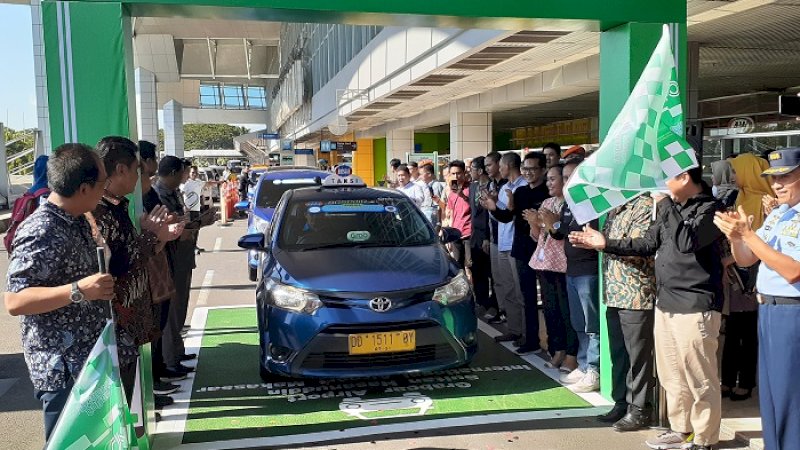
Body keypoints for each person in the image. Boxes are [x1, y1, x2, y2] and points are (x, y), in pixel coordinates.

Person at [571, 166, 724, 450]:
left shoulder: (710, 208)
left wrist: (664, 203)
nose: (659, 184)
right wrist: (606, 244)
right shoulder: (673, 208)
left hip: (695, 302)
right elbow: (647, 243)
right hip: (666, 302)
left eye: (665, 177)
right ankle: (681, 429)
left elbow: (685, 242)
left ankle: (704, 438)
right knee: (672, 374)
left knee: (699, 376)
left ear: (684, 178)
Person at [4, 143, 115, 439]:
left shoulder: (77, 220)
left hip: (88, 359)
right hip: (62, 368)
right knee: (68, 443)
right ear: (83, 188)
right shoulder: (41, 229)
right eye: (103, 183)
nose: (105, 190)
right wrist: (78, 290)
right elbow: (15, 301)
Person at [713, 147, 800, 450]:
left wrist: (747, 236)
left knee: (791, 396)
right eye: (773, 178)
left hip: (792, 312)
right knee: (772, 395)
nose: (777, 184)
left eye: (786, 176)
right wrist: (736, 238)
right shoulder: (778, 214)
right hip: (769, 309)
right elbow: (748, 259)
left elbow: (793, 271)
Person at [92, 136, 182, 401]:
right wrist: (153, 236)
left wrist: (159, 237)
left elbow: (132, 254)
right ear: (121, 170)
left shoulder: (116, 205)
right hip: (118, 323)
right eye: (136, 171)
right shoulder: (100, 211)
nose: (139, 179)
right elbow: (118, 264)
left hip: (130, 323)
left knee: (131, 396)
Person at [590, 195, 657, 430]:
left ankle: (640, 408)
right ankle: (621, 402)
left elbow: (641, 246)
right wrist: (592, 242)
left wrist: (603, 242)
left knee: (637, 355)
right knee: (619, 353)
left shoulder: (644, 205)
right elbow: (606, 244)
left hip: (635, 292)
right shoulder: (613, 207)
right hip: (614, 292)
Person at [541, 158, 601, 393]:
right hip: (572, 270)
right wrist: (553, 225)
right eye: (564, 177)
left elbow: (579, 232)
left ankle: (594, 369)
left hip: (589, 271)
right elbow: (562, 232)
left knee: (591, 324)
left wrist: (556, 226)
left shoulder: (594, 201)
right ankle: (585, 365)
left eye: (571, 177)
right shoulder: (569, 204)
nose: (567, 182)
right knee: (579, 322)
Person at [484, 152, 550, 355]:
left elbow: (552, 224)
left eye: (533, 169)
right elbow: (507, 217)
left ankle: (556, 346)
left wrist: (537, 221)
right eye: (526, 169)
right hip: (521, 250)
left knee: (548, 299)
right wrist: (494, 208)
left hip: (545, 251)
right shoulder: (520, 192)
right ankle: (531, 339)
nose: (529, 173)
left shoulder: (546, 193)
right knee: (526, 297)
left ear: (543, 170)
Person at [524, 164, 579, 374]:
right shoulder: (547, 202)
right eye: (549, 179)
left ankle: (569, 352)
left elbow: (560, 234)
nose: (550, 183)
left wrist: (551, 223)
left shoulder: (571, 204)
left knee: (566, 311)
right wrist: (534, 223)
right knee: (550, 310)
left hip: (563, 265)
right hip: (543, 263)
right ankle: (557, 349)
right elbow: (539, 237)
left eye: (553, 179)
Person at [153, 156, 201, 376]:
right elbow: (167, 229)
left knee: (179, 309)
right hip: (170, 260)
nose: (184, 177)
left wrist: (196, 224)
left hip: (182, 257)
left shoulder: (172, 193)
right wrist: (184, 229)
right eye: (182, 173)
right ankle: (169, 360)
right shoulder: (158, 194)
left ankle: (176, 353)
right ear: (173, 173)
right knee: (171, 312)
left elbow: (179, 222)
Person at [481, 152, 527, 344]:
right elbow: (500, 215)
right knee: (506, 288)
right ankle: (514, 329)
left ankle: (527, 333)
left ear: (509, 165)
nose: (499, 170)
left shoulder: (523, 187)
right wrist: (492, 204)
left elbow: (515, 215)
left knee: (520, 291)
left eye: (500, 166)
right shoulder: (504, 187)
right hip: (501, 242)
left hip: (516, 243)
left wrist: (501, 206)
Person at [468, 157, 499, 320]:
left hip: (487, 235)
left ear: (480, 171)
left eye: (471, 168)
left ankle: (494, 306)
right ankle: (481, 302)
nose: (469, 172)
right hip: (475, 235)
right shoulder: (472, 187)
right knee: (477, 270)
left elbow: (489, 215)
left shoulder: (491, 187)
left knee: (491, 272)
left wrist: (487, 236)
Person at [483, 151, 507, 323]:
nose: (487, 169)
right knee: (497, 279)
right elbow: (487, 214)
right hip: (493, 237)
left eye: (489, 164)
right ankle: (501, 309)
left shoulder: (509, 186)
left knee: (509, 282)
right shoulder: (491, 185)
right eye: (485, 166)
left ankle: (511, 315)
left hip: (507, 239)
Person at [730, 152, 774, 230]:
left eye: (735, 172)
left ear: (748, 173)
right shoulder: (741, 195)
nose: (732, 176)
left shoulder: (768, 202)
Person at [444, 160, 472, 267]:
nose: (456, 176)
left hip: (469, 233)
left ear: (464, 173)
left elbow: (476, 208)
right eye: (453, 174)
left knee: (470, 264)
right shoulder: (451, 191)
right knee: (457, 264)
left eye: (459, 173)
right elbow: (451, 214)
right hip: (456, 234)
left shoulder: (471, 188)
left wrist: (463, 196)